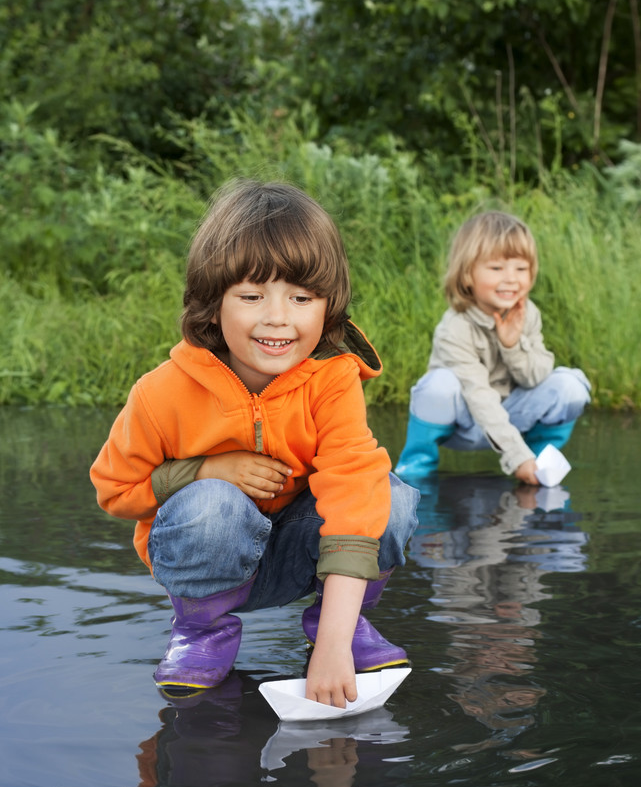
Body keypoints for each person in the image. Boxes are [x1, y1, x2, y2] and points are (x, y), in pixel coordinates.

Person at [90, 180, 419, 707]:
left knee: (389, 494)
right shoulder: (161, 392)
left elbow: (353, 494)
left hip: (302, 559)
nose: (277, 317)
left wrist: (332, 646)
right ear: (212, 302)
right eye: (251, 296)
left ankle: (341, 622)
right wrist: (201, 471)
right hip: (209, 561)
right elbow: (114, 490)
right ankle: (201, 632)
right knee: (213, 505)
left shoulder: (333, 381)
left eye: (301, 297)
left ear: (328, 307)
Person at [395, 211, 591, 483]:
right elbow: (479, 397)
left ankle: (539, 463)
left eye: (521, 269)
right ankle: (415, 470)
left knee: (570, 385)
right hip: (463, 424)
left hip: (513, 415)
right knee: (437, 385)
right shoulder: (455, 327)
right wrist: (516, 456)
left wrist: (512, 346)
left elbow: (536, 377)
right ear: (467, 275)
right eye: (497, 268)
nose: (511, 278)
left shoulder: (527, 313)